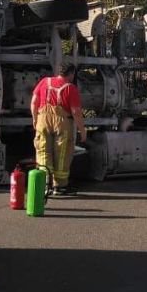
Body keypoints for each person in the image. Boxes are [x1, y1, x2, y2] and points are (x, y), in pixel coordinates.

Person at [31, 62, 87, 195]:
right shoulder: (70, 88)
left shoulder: (44, 82)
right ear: (72, 74)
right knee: (62, 153)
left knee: (43, 151)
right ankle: (60, 186)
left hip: (42, 120)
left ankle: (44, 184)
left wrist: (34, 119)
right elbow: (76, 112)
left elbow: (34, 102)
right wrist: (82, 130)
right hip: (62, 123)